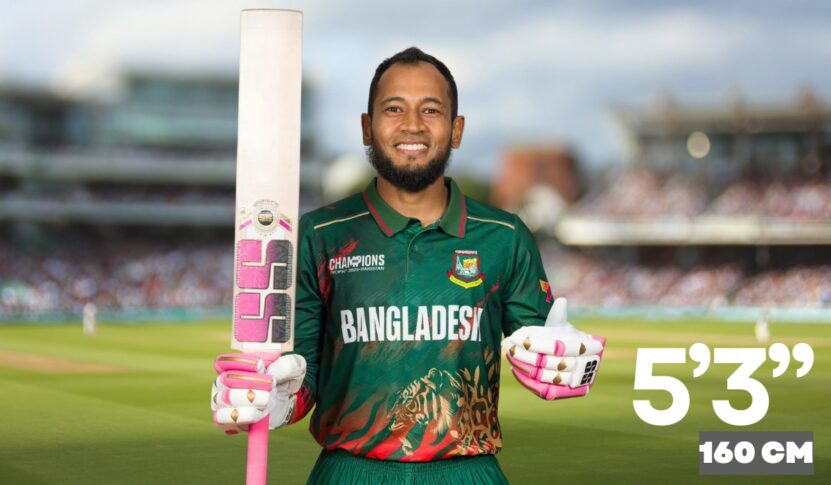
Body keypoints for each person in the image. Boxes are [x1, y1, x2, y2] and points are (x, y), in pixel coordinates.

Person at [212, 47, 604, 484]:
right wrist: (277, 397)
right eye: (394, 108)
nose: (412, 125)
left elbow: (543, 352)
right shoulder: (320, 234)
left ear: (456, 130)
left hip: (467, 472)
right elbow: (303, 375)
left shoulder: (503, 235)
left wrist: (569, 362)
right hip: (348, 471)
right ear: (367, 126)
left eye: (431, 109)